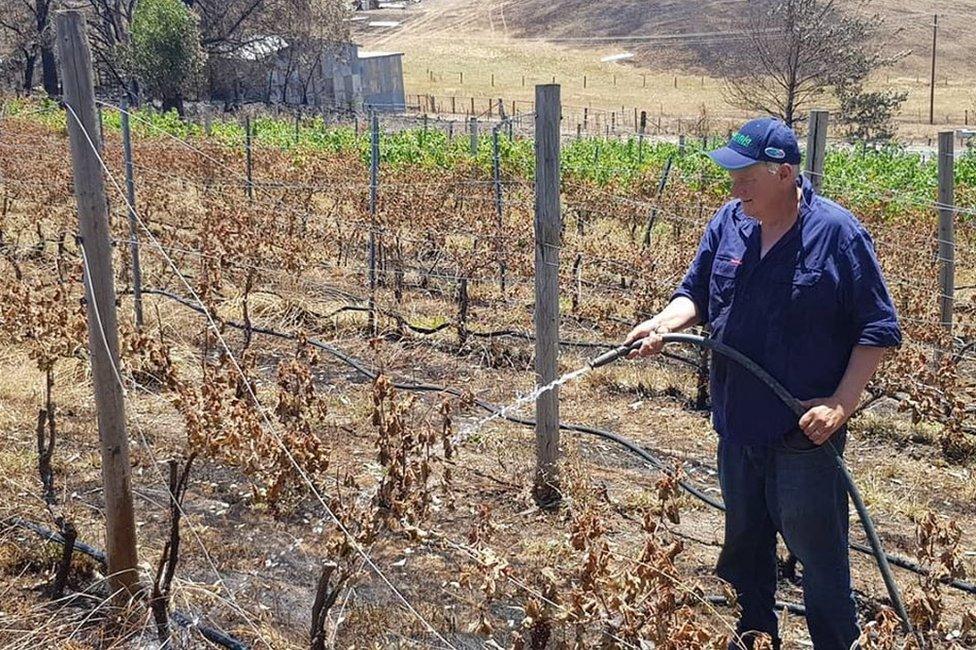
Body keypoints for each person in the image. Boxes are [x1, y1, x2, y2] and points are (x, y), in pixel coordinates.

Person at [625, 117, 901, 649]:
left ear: (785, 174)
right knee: (746, 548)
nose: (735, 188)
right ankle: (754, 637)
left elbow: (876, 328)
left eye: (746, 176)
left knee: (819, 559)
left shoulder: (838, 235)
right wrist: (665, 321)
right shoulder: (729, 222)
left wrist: (842, 405)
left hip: (803, 434)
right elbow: (697, 293)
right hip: (738, 423)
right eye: (732, 176)